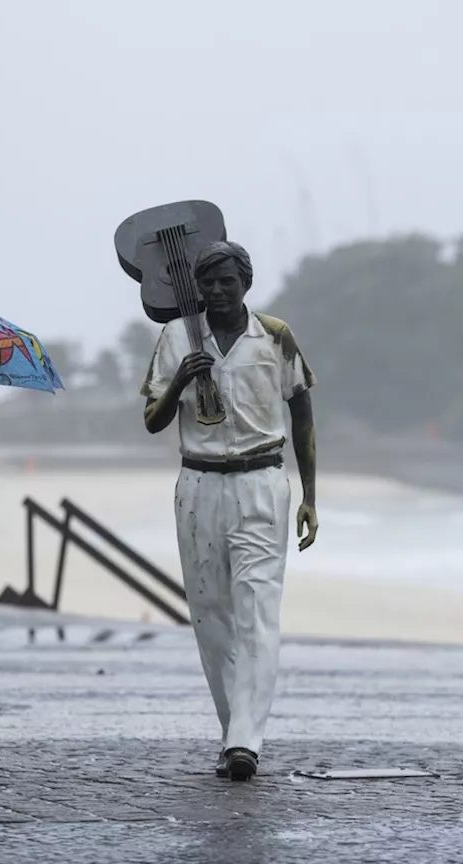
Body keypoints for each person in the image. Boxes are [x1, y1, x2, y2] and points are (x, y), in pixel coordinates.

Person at [141, 240, 318, 781]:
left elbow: (303, 412)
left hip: (263, 481)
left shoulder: (275, 335)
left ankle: (245, 743)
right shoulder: (175, 336)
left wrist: (310, 495)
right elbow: (151, 418)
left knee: (257, 612)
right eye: (209, 282)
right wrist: (180, 381)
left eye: (228, 281)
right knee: (211, 616)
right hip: (198, 485)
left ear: (245, 283)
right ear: (196, 286)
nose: (218, 290)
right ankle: (234, 733)